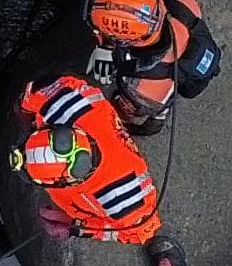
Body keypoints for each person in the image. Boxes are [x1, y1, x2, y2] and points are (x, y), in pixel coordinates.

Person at [13, 75, 160, 243]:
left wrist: (77, 228)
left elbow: (140, 233)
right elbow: (39, 87)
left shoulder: (124, 201)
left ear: (62, 182)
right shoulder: (67, 103)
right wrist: (26, 113)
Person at [79, 0, 219, 136]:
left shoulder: (144, 90)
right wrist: (107, 46)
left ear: (124, 41)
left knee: (125, 109)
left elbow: (154, 115)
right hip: (189, 55)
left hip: (165, 90)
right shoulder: (183, 1)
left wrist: (106, 46)